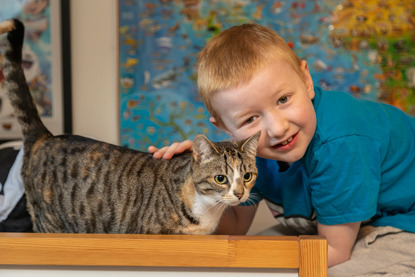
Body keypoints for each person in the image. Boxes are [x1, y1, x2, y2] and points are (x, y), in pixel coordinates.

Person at [149, 23, 415, 275]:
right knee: (238, 258)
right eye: (250, 119)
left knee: (329, 272)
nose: (277, 129)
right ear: (225, 128)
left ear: (306, 80)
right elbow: (235, 228)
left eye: (283, 99)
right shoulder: (247, 154)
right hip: (334, 230)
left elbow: (333, 251)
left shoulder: (340, 141)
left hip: (403, 223)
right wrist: (193, 182)